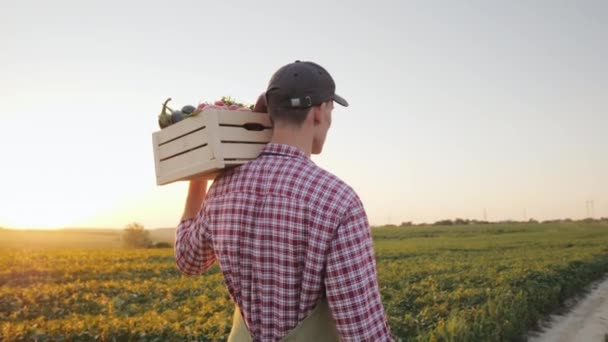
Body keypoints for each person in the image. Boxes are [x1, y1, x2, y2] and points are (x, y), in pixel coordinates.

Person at [175, 60, 394, 341]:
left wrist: (199, 170)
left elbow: (188, 260)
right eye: (331, 110)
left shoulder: (221, 189)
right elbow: (364, 334)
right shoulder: (338, 201)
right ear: (319, 112)